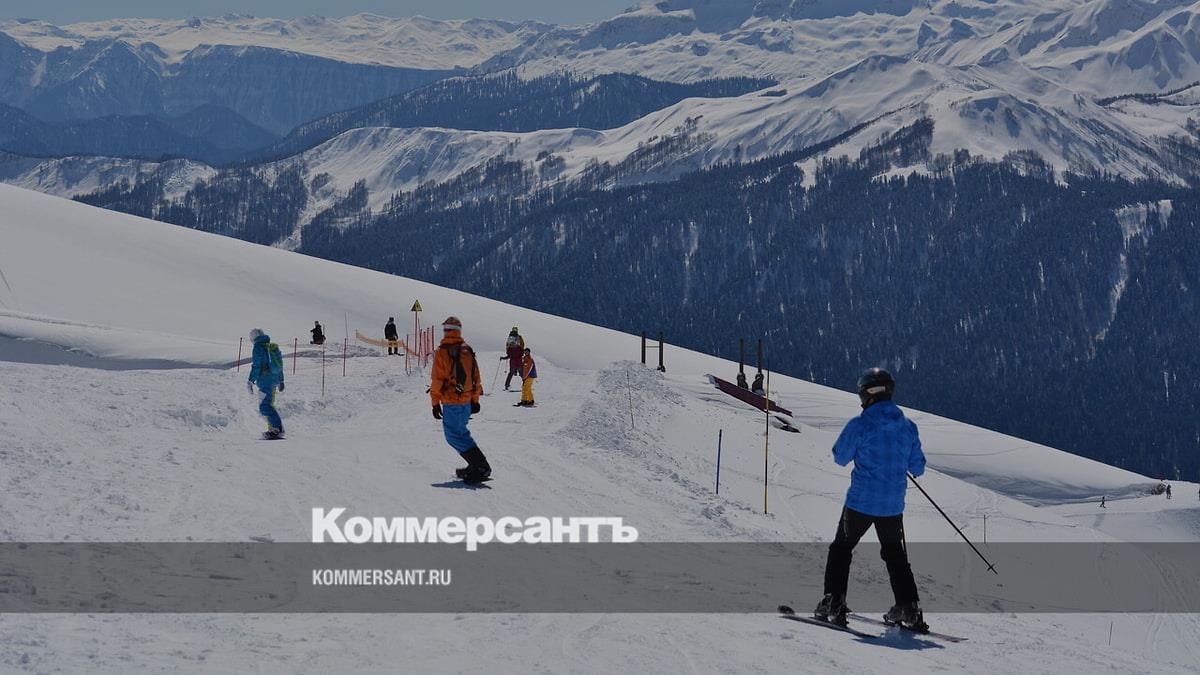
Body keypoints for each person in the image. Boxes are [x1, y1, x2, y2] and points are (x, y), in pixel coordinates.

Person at [815, 367, 927, 630]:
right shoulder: (908, 427)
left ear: (867, 394)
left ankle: (834, 602)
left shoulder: (860, 425)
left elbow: (840, 457)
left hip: (861, 503)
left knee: (841, 549)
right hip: (892, 506)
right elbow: (918, 467)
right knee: (895, 555)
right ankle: (909, 608)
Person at [430, 316, 491, 481]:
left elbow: (437, 380)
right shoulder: (467, 350)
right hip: (466, 402)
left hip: (452, 402)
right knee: (461, 433)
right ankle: (476, 465)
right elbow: (475, 377)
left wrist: (435, 403)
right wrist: (475, 400)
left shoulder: (443, 352)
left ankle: (480, 466)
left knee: (453, 436)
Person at [246, 328, 285, 440]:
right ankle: (273, 429)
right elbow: (280, 365)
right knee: (269, 404)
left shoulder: (258, 347)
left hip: (265, 381)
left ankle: (277, 429)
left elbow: (256, 366)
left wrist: (250, 381)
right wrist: (281, 380)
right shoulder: (271, 347)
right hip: (273, 380)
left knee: (264, 406)